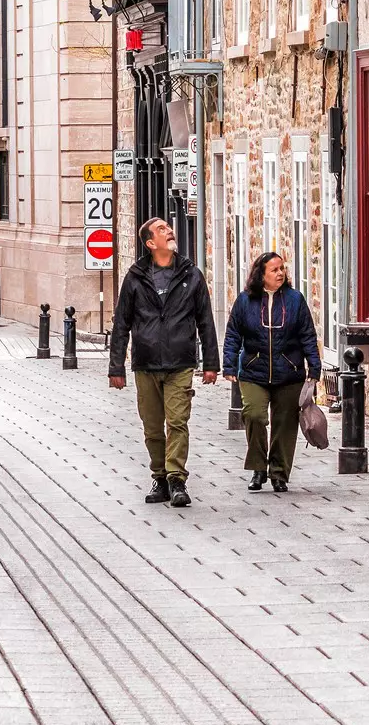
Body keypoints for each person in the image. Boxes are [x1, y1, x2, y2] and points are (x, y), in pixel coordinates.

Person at [108, 217, 218, 507]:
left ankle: (176, 478)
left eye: (168, 227)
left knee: (178, 421)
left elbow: (205, 320)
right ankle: (159, 475)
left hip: (180, 362)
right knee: (153, 427)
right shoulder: (135, 276)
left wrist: (210, 363)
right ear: (150, 243)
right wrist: (116, 367)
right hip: (145, 362)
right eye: (161, 230)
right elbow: (122, 323)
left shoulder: (191, 274)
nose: (169, 231)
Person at [222, 252, 321, 493]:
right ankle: (258, 468)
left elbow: (307, 334)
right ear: (261, 274)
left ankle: (279, 473)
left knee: (285, 422)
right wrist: (229, 365)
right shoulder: (245, 301)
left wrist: (314, 367)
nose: (280, 273)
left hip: (289, 370)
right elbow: (233, 334)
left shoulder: (295, 300)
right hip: (253, 370)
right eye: (274, 270)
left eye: (282, 269)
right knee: (254, 415)